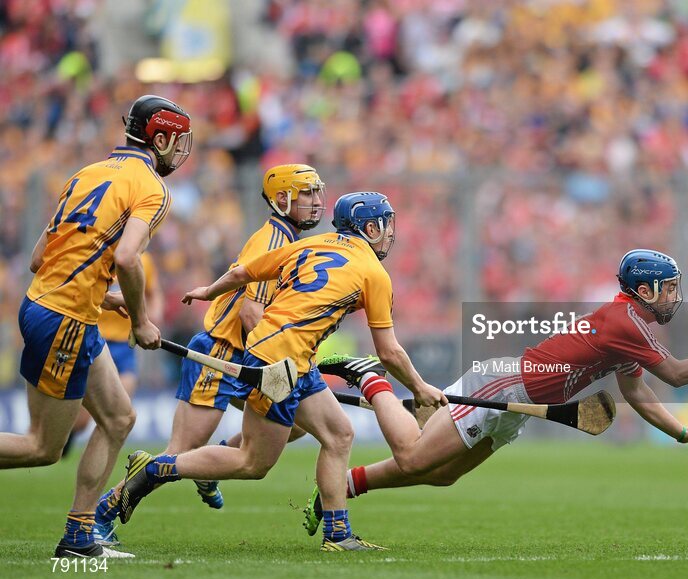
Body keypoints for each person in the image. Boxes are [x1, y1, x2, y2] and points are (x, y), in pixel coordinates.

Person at [303, 249, 688, 533]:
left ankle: (343, 487)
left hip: (522, 404)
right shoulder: (625, 321)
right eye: (669, 289)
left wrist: (678, 432)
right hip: (506, 381)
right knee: (414, 458)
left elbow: (638, 393)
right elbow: (677, 374)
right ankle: (372, 377)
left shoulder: (630, 326)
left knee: (442, 475)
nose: (674, 298)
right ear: (644, 289)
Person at [117, 192, 446, 552]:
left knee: (339, 434)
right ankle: (155, 469)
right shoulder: (373, 273)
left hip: (290, 359)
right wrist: (420, 387)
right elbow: (390, 352)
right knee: (252, 463)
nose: (389, 234)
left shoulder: (311, 244)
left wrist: (209, 291)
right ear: (370, 228)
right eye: (385, 226)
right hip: (279, 364)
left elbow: (244, 272)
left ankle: (337, 535)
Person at [92, 165, 324, 546]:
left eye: (317, 193)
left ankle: (213, 463)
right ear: (282, 199)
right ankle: (105, 510)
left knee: (299, 424)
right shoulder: (274, 241)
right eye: (307, 194)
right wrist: (279, 362)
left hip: (249, 352)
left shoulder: (287, 237)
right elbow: (252, 314)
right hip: (222, 353)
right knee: (180, 452)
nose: (316, 202)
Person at [1, 94, 191, 558]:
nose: (181, 153)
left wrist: (101, 294)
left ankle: (80, 535)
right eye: (178, 143)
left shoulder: (86, 173)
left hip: (57, 307)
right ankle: (79, 536)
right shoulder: (151, 186)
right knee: (44, 446)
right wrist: (142, 319)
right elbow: (126, 256)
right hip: (65, 317)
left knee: (119, 418)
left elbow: (38, 259)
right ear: (159, 138)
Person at [63, 252, 164, 458]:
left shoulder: (143, 262)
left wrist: (154, 313)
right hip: (97, 340)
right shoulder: (99, 256)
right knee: (81, 422)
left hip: (124, 345)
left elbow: (153, 293)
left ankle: (98, 451)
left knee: (120, 411)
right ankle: (62, 442)